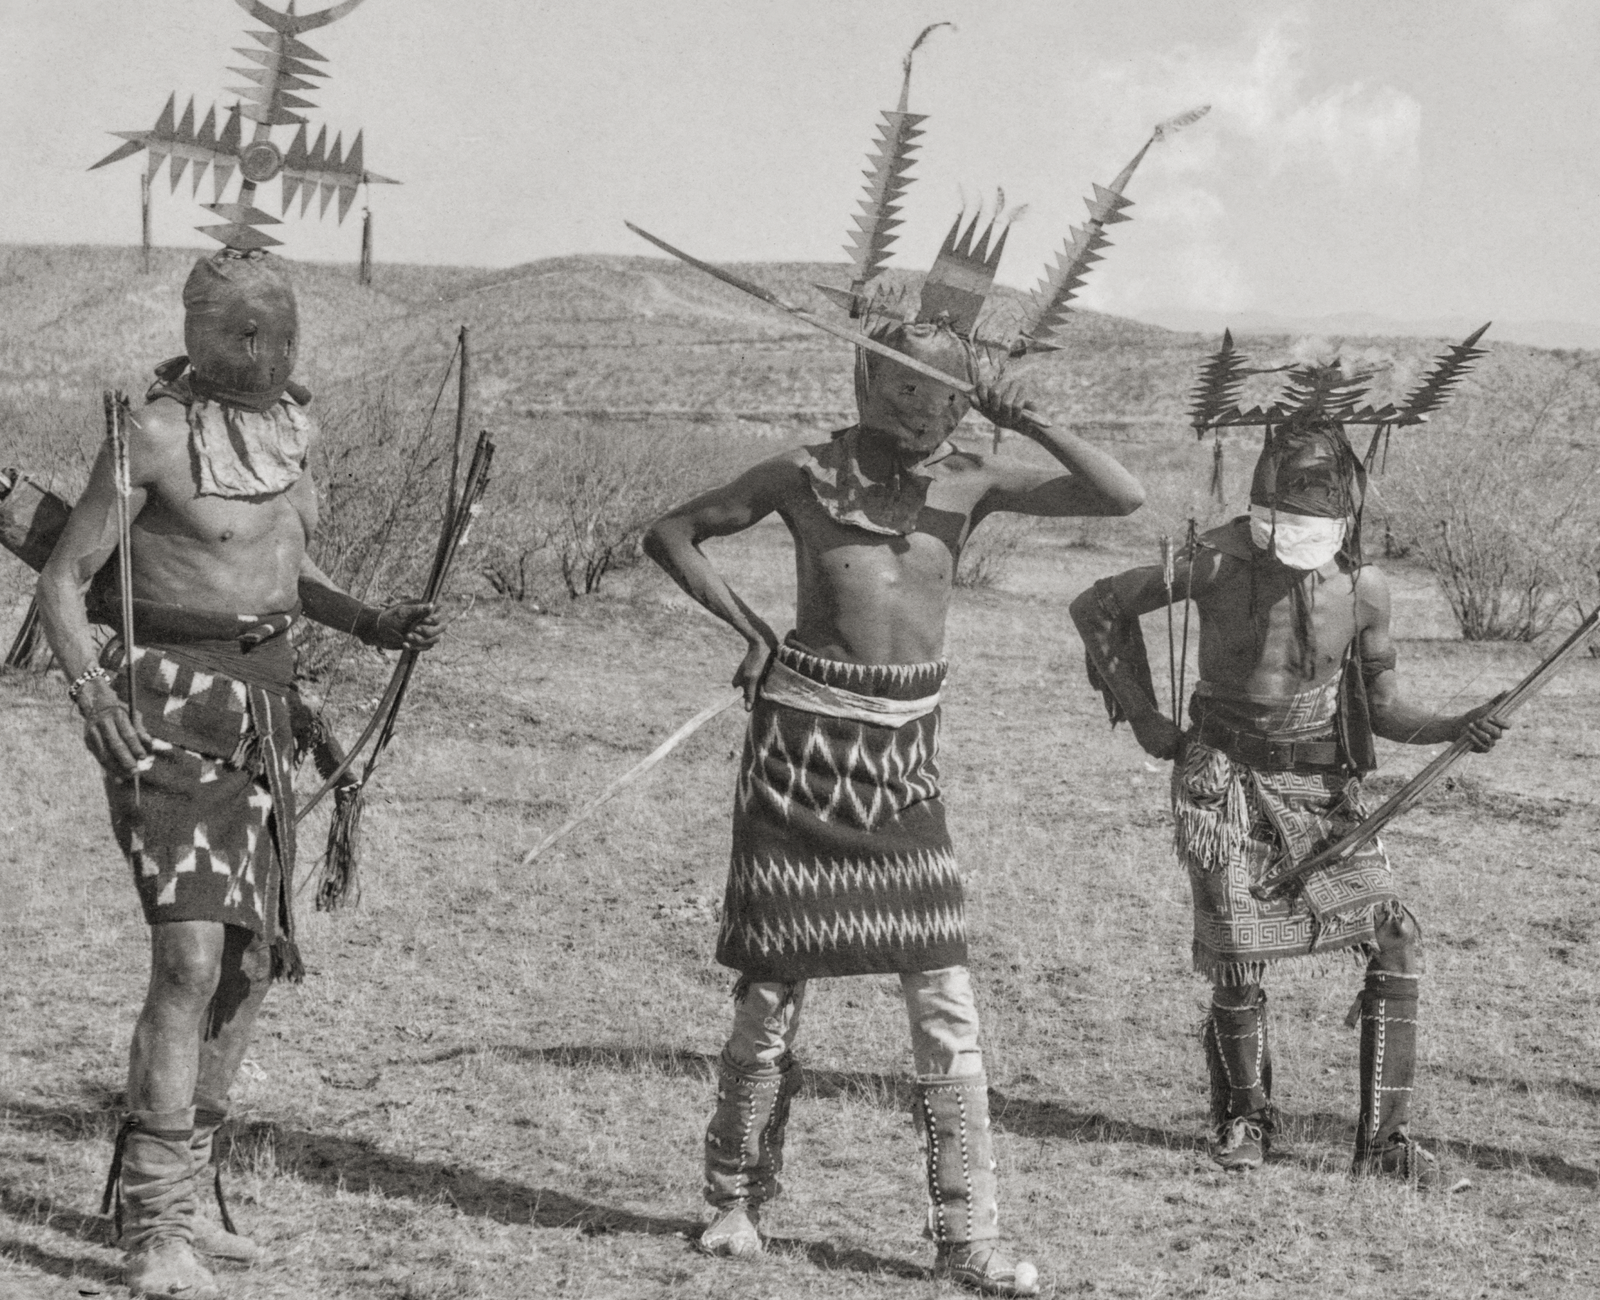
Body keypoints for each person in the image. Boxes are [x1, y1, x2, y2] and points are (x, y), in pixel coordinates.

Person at [644, 312, 1144, 1296]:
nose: (923, 408)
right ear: (864, 385)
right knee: (772, 989)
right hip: (799, 753)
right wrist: (752, 630)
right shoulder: (800, 474)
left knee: (943, 991)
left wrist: (1026, 418)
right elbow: (670, 534)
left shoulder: (969, 481)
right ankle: (734, 1200)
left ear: (967, 400)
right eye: (904, 386)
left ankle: (968, 1236)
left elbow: (1119, 495)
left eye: (946, 392)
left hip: (905, 763)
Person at [36, 249, 443, 1300]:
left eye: (284, 332)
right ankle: (153, 1226)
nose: (269, 350)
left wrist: (375, 621)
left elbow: (284, 571)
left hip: (266, 712)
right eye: (249, 333)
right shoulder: (151, 434)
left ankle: (189, 1187)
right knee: (187, 958)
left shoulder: (294, 436)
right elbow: (65, 578)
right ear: (210, 333)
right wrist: (95, 695)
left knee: (248, 965)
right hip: (166, 709)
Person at [1070, 400, 1504, 1187]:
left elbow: (1385, 706)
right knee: (1238, 954)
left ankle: (1385, 1144)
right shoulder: (1214, 561)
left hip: (1323, 788)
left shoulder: (1365, 588)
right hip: (1224, 782)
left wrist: (1455, 725)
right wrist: (1143, 716)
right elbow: (1097, 605)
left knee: (1395, 935)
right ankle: (1244, 1118)